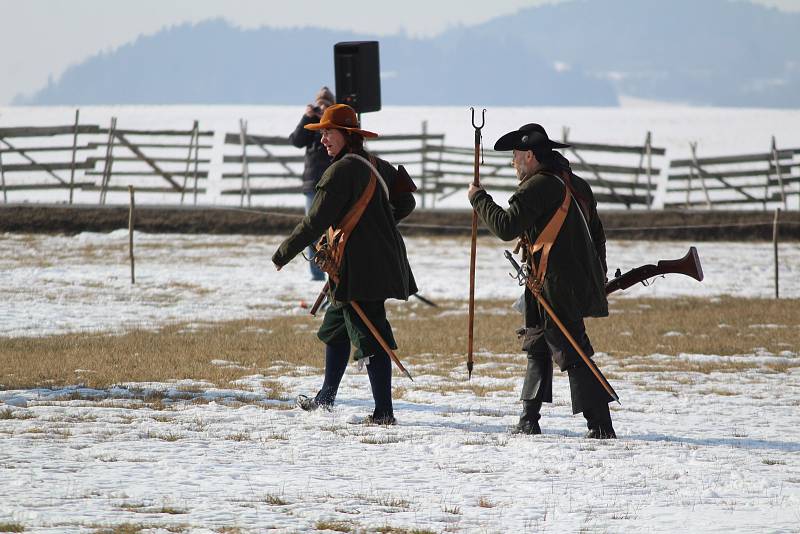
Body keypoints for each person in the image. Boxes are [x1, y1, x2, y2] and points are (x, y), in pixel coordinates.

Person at [467, 123, 616, 439]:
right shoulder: (577, 184)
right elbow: (598, 235)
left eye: (516, 156)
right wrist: (597, 274)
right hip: (549, 282)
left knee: (572, 351)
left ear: (530, 156)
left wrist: (479, 199)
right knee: (537, 344)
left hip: (555, 284)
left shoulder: (537, 186)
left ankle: (600, 424)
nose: (513, 163)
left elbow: (506, 226)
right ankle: (528, 418)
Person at [272, 104, 417, 425]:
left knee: (371, 337)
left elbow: (314, 222)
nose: (323, 139)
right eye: (321, 132)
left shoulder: (339, 171)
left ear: (348, 135)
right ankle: (326, 398)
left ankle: (384, 413)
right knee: (335, 329)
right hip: (363, 265)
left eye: (328, 132)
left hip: (360, 269)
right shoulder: (377, 164)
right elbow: (407, 202)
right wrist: (378, 224)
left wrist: (283, 252)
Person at [289, 86, 336, 281]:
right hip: (311, 184)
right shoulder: (310, 122)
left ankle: (333, 268)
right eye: (319, 104)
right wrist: (307, 118)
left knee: (332, 228)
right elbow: (296, 140)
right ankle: (316, 273)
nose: (321, 107)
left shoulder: (334, 123)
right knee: (311, 228)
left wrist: (326, 118)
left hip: (332, 183)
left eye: (326, 104)